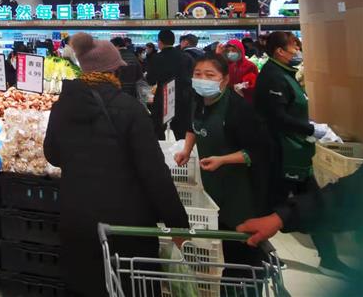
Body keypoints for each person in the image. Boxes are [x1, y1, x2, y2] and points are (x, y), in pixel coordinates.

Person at [44, 33, 189, 297]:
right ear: (113, 71)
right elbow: (154, 173)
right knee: (127, 287)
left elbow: (52, 155)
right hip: (124, 226)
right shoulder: (130, 109)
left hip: (77, 219)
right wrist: (178, 223)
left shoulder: (62, 106)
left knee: (84, 285)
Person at [254, 31, 348, 276]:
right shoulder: (273, 76)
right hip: (280, 154)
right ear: (279, 51)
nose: (297, 51)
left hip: (295, 153)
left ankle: (329, 258)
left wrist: (309, 128)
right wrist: (311, 129)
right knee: (270, 207)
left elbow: (288, 112)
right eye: (294, 47)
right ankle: (260, 255)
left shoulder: (284, 73)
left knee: (314, 203)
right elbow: (277, 117)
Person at [174, 53, 271, 280]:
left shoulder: (238, 109)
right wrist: (187, 149)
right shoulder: (198, 100)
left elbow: (258, 151)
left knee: (243, 253)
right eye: (198, 74)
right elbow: (193, 126)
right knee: (227, 244)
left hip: (241, 191)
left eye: (210, 75)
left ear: (225, 79)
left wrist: (223, 159)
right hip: (215, 186)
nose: (202, 80)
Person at [145, 29, 193, 140]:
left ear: (160, 42)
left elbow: (151, 80)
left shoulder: (156, 58)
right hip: (182, 97)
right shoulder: (185, 57)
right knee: (181, 130)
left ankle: (161, 148)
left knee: (158, 129)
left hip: (163, 97)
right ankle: (182, 149)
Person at [224, 39, 258, 104]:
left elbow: (254, 85)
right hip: (229, 101)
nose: (230, 53)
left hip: (245, 101)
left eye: (233, 50)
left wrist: (243, 86)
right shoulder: (227, 66)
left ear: (240, 51)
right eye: (228, 51)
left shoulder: (250, 66)